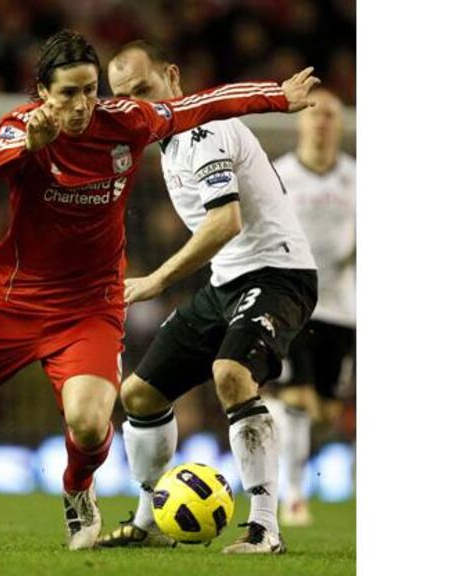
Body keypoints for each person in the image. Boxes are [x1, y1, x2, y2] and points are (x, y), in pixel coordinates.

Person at [0, 30, 319, 549]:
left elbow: (203, 104)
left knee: (92, 422)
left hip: (88, 310)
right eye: (68, 94)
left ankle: (78, 488)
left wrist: (278, 97)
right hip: (13, 302)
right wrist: (29, 143)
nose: (81, 105)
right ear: (42, 92)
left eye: (90, 90)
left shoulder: (127, 122)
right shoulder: (20, 129)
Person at [103, 40, 320, 554]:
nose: (139, 105)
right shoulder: (166, 141)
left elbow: (227, 221)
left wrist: (156, 280)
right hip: (226, 281)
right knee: (139, 394)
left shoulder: (205, 130)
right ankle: (149, 521)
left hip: (279, 272)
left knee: (231, 374)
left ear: (173, 77)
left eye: (145, 89)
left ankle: (265, 527)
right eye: (125, 98)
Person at [270, 88, 355, 527]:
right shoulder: (280, 176)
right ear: (301, 120)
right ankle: (296, 498)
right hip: (294, 302)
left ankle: (276, 410)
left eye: (331, 115)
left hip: (343, 307)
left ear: (340, 124)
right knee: (299, 399)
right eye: (315, 113)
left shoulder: (357, 178)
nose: (322, 121)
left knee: (325, 411)